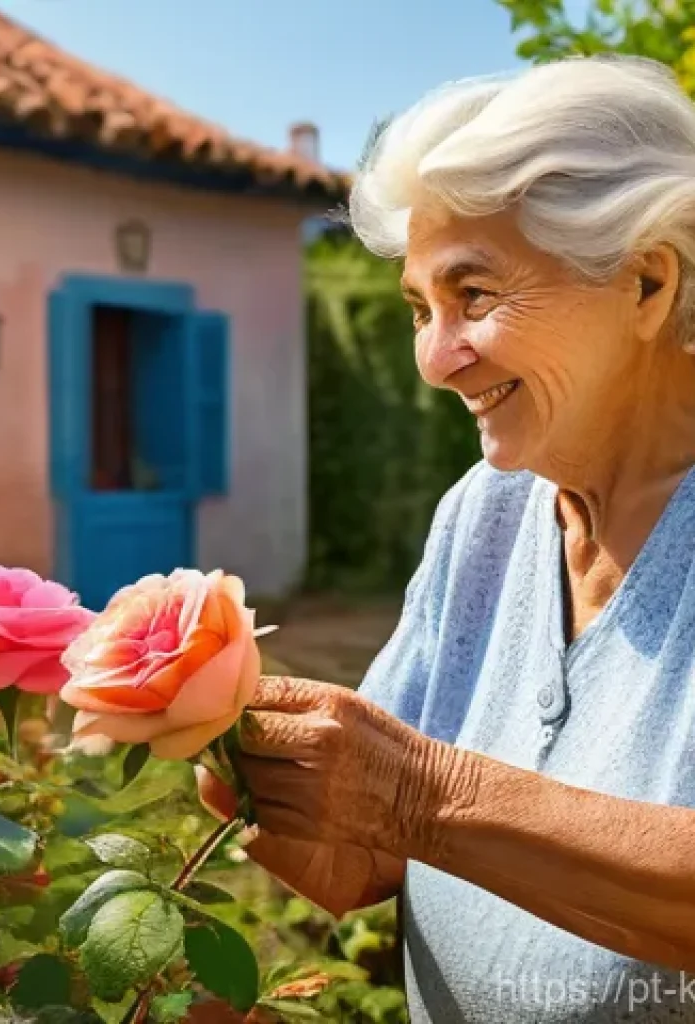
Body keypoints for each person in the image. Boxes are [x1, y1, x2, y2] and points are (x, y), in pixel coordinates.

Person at [199, 54, 695, 1022]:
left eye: (473, 296)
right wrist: (224, 746)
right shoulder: (483, 512)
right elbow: (361, 862)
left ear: (644, 281)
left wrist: (420, 794)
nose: (433, 360)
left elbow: (410, 807)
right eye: (419, 309)